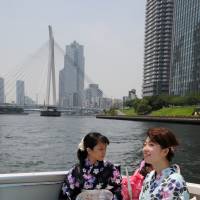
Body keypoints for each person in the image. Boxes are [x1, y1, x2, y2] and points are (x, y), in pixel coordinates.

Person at [59, 132, 122, 200]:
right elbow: (67, 193)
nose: (104, 152)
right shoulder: (77, 169)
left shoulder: (109, 167)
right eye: (100, 149)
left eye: (105, 148)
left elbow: (118, 188)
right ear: (89, 150)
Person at [139, 127, 190, 200]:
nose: (144, 149)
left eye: (151, 144)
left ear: (165, 152)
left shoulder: (175, 181)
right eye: (144, 144)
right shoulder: (149, 176)